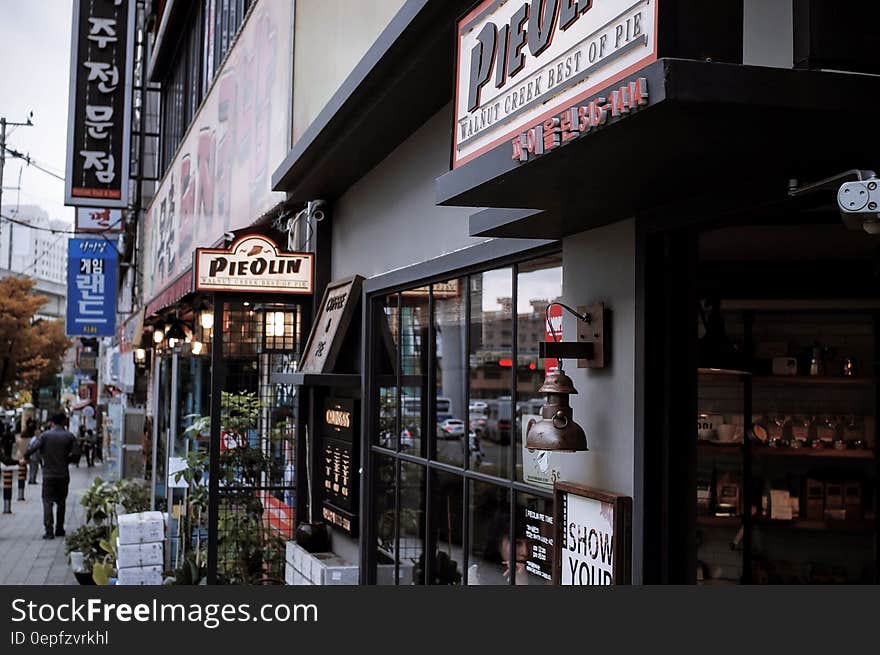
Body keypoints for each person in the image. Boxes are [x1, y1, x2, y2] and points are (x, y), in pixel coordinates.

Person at [23, 411, 79, 539]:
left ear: (52, 422)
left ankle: (49, 530)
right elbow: (76, 455)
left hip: (48, 474)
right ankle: (59, 528)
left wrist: (26, 457)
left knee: (47, 501)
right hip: (63, 474)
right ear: (64, 421)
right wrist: (66, 459)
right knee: (61, 502)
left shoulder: (44, 436)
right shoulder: (69, 436)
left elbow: (32, 449)